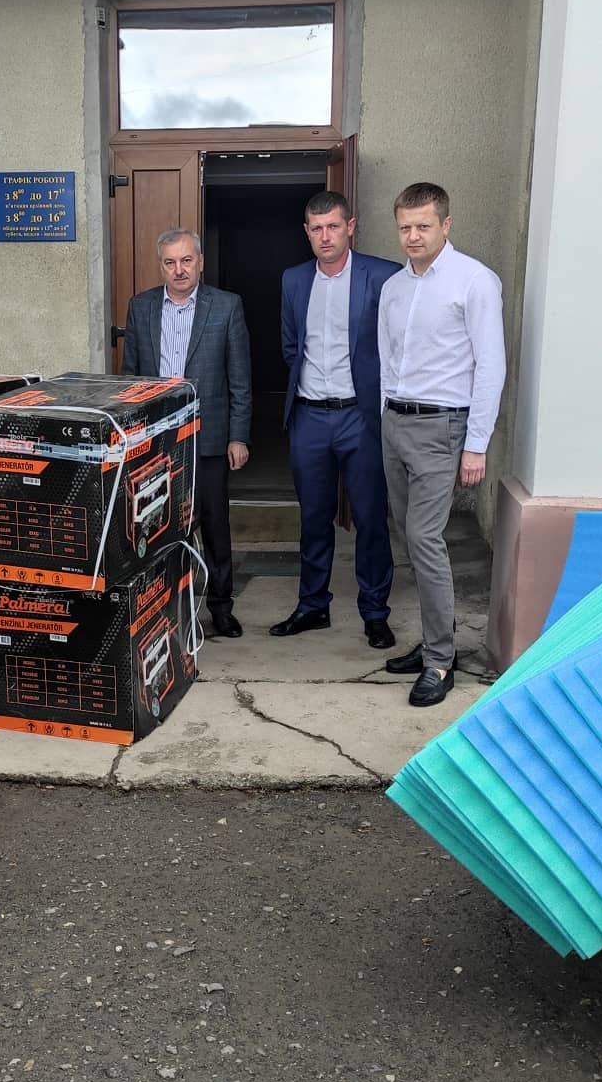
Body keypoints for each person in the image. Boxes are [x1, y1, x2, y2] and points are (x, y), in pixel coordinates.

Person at [377, 182, 506, 707]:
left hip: (441, 427)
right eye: (405, 227)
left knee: (425, 537)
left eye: (423, 226)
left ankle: (439, 660)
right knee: (407, 536)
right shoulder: (393, 287)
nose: (413, 236)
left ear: (446, 225)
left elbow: (491, 365)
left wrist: (476, 444)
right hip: (395, 423)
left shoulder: (474, 281)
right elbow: (388, 358)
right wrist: (383, 417)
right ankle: (436, 635)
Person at [271, 190, 401, 650]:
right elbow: (291, 346)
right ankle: (313, 605)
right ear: (306, 233)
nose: (325, 236)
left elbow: (396, 345)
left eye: (333, 226)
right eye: (316, 229)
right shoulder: (293, 279)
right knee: (313, 517)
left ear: (351, 227)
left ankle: (375, 612)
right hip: (309, 416)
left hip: (360, 417)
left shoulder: (383, 275)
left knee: (370, 518)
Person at [121, 228, 251, 638]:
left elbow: (240, 379)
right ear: (160, 265)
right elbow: (129, 379)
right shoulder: (141, 307)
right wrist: (131, 435)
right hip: (155, 440)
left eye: (186, 261)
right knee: (157, 523)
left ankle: (221, 607)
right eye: (170, 262)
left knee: (214, 526)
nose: (179, 270)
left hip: (209, 438)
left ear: (200, 262)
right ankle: (163, 607)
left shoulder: (226, 306)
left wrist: (238, 436)